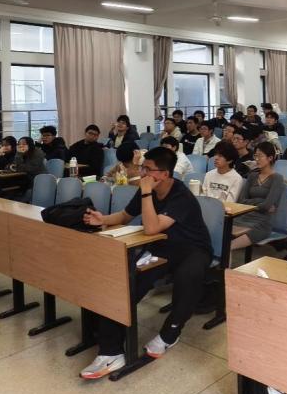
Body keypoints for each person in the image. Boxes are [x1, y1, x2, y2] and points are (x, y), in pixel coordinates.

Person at [80, 148, 212, 378]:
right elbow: (125, 216)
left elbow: (151, 228)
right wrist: (102, 219)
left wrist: (146, 192)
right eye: (143, 167)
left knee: (188, 277)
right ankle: (111, 351)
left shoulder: (181, 196)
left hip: (193, 249)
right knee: (128, 279)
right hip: (162, 247)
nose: (142, 173)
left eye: (148, 169)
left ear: (164, 174)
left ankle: (170, 333)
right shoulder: (146, 189)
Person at [231, 142, 287, 251]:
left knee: (229, 246)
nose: (256, 159)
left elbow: (267, 206)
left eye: (260, 156)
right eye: (255, 156)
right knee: (222, 237)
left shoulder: (277, 178)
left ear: (270, 158)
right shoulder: (252, 176)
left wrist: (252, 202)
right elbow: (241, 201)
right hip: (244, 217)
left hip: (262, 222)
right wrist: (259, 201)